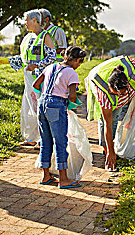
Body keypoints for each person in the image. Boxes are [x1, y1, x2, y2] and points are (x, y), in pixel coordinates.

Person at [32, 46, 86, 188]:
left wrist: (48, 94)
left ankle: (45, 176)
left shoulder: (51, 67)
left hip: (42, 104)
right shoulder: (71, 73)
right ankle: (63, 179)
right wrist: (68, 104)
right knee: (60, 142)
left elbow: (36, 84)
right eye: (80, 62)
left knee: (45, 142)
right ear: (77, 60)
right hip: (56, 107)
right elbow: (73, 96)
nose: (79, 66)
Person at [85, 56, 135, 171]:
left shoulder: (133, 71)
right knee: (106, 122)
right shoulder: (103, 92)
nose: (118, 96)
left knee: (116, 116)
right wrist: (111, 152)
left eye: (122, 94)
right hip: (95, 78)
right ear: (110, 87)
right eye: (116, 94)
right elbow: (108, 125)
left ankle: (111, 150)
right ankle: (107, 151)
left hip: (120, 72)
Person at [7, 9, 57, 146]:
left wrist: (37, 65)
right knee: (29, 107)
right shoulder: (28, 38)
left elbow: (52, 57)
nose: (24, 23)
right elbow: (25, 58)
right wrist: (12, 61)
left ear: (35, 20)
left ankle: (44, 139)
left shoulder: (45, 37)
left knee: (40, 108)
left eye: (26, 20)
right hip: (28, 79)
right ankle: (31, 138)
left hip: (41, 80)